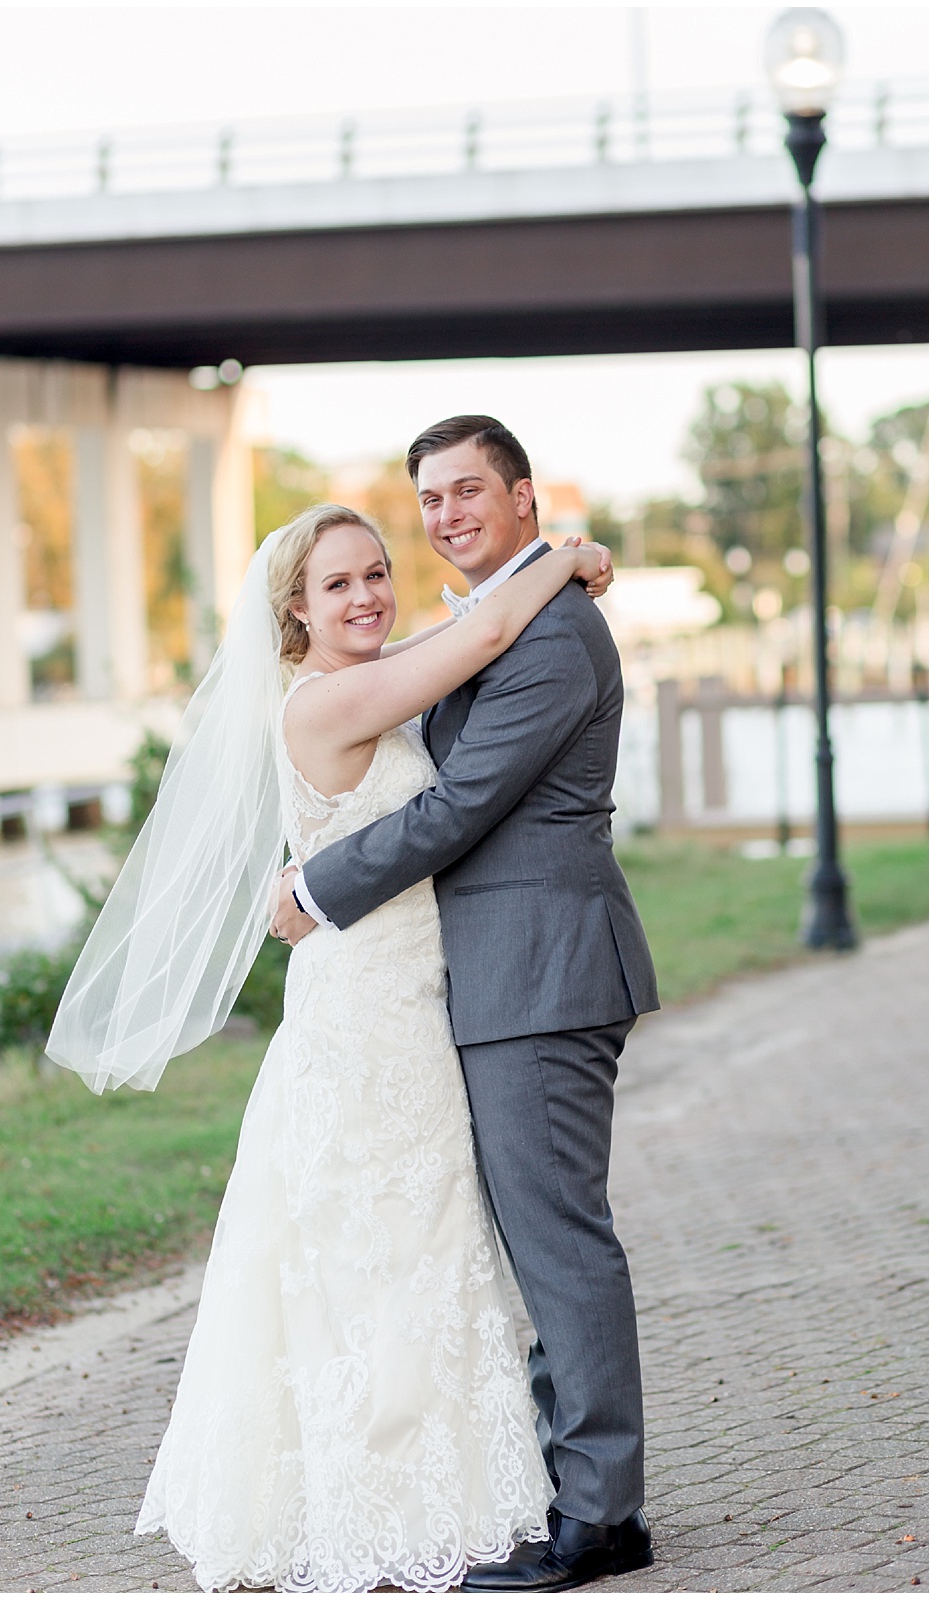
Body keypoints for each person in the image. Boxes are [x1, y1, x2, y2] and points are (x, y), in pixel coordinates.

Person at [47, 498, 615, 1593]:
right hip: (366, 1016)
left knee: (429, 1248)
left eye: (375, 573)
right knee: (372, 1258)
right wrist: (568, 555)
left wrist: (560, 565)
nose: (366, 596)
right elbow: (487, 635)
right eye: (338, 584)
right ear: (293, 615)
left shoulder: (371, 670)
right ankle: (379, 1508)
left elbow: (461, 635)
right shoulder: (328, 702)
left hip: (415, 1001)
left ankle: (455, 1492)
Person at [272, 416, 660, 1593]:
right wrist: (569, 558)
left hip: (539, 971)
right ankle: (569, 1490)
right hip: (492, 976)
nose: (444, 516)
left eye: (467, 493)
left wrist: (318, 886)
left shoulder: (546, 640)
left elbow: (464, 805)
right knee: (531, 1243)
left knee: (559, 1241)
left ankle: (600, 1516)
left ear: (524, 498)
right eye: (429, 499)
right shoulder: (505, 616)